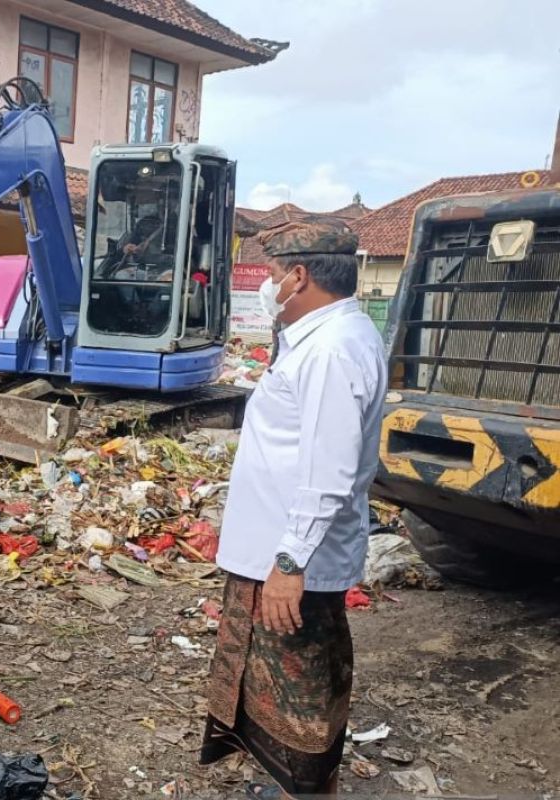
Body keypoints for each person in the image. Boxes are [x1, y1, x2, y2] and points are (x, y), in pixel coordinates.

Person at [199, 218, 388, 799]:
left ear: (299, 275)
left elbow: (328, 473)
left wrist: (289, 563)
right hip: (275, 554)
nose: (270, 284)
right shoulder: (324, 339)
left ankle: (309, 791)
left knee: (302, 690)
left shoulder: (331, 351)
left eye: (276, 274)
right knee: (280, 685)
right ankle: (296, 788)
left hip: (289, 562)